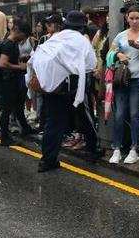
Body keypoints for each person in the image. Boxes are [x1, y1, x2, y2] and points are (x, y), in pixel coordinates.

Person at [31, 11, 101, 171]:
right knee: (85, 118)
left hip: (51, 88)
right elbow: (91, 64)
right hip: (74, 88)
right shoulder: (82, 41)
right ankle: (92, 150)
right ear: (83, 26)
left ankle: (48, 160)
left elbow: (38, 57)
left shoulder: (56, 38)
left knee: (53, 123)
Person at [109, 6, 139, 165]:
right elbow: (110, 54)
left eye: (137, 18)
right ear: (127, 19)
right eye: (132, 18)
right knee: (120, 114)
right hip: (122, 79)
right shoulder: (120, 36)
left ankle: (134, 148)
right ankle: (117, 148)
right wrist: (118, 54)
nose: (135, 21)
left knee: (135, 114)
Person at [0, 19, 35, 147]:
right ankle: (4, 137)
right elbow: (3, 63)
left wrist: (21, 60)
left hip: (13, 80)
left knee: (18, 106)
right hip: (9, 81)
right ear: (18, 31)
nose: (23, 39)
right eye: (23, 36)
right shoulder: (8, 44)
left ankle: (25, 128)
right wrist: (20, 67)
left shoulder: (12, 43)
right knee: (7, 110)